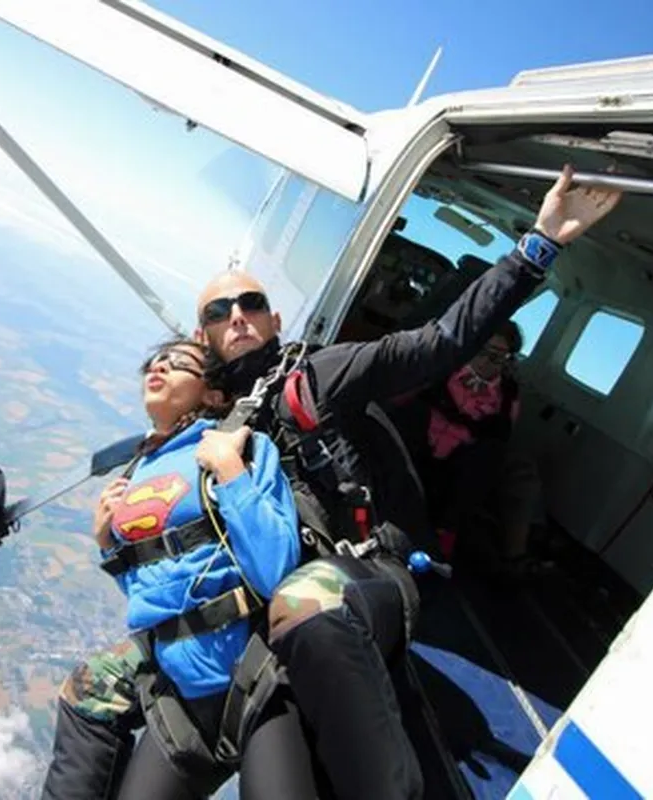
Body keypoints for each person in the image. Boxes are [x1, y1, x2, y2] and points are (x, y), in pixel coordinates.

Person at [194, 165, 621, 800]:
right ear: (204, 335)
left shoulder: (321, 374)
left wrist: (537, 248)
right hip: (292, 590)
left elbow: (437, 343)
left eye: (251, 304)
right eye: (219, 311)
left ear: (276, 317)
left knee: (306, 606)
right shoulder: (217, 422)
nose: (238, 317)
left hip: (370, 575)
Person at [40, 338, 319, 800]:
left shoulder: (240, 446)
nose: (160, 365)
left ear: (212, 394)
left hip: (255, 682)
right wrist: (109, 545)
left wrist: (230, 471)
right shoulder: (139, 470)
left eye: (180, 362)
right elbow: (152, 595)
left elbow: (274, 568)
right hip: (179, 699)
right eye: (154, 360)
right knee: (82, 696)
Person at [386, 321, 547, 577]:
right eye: (482, 350)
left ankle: (445, 535)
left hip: (455, 472)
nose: (486, 361)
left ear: (507, 360)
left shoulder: (507, 398)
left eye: (497, 356)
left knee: (492, 454)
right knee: (411, 414)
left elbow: (500, 438)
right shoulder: (443, 368)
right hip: (414, 453)